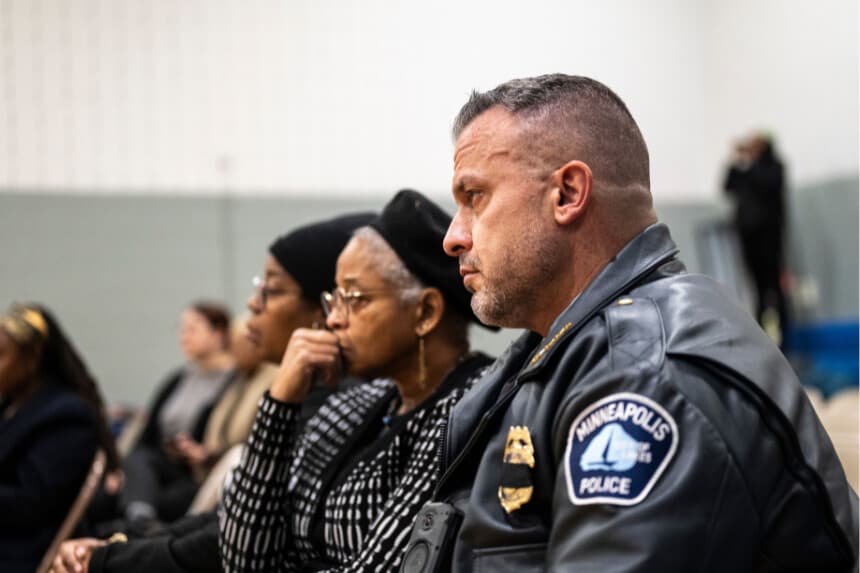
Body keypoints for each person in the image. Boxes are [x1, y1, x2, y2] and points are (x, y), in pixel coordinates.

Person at [400, 74, 858, 572]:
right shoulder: (560, 349)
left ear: (568, 194)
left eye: (475, 198)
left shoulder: (646, 372)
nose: (453, 237)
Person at [51, 213, 374, 573]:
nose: (253, 304)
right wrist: (124, 541)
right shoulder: (197, 378)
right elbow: (231, 518)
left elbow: (244, 540)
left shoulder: (344, 402)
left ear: (322, 310)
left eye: (272, 289)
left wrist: (113, 557)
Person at [219, 190, 495, 572]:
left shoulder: (469, 408)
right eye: (335, 299)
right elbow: (242, 557)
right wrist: (279, 404)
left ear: (425, 312)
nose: (334, 319)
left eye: (355, 299)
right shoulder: (354, 404)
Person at [0, 303, 120, 573]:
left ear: (32, 357)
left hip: (20, 551)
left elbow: (29, 505)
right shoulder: (11, 406)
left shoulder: (66, 415)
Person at [116, 301, 235, 526]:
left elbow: (226, 437)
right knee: (135, 467)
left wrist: (198, 453)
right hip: (160, 464)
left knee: (145, 497)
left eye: (193, 329)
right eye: (182, 329)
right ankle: (140, 520)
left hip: (195, 473)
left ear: (218, 334)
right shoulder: (180, 377)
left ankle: (138, 522)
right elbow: (149, 430)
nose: (184, 336)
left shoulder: (234, 381)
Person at [723, 131, 789, 346]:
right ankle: (763, 339)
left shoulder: (774, 167)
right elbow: (728, 185)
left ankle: (785, 339)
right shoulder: (746, 170)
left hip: (770, 242)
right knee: (757, 290)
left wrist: (749, 161)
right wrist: (738, 160)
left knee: (774, 290)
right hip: (749, 240)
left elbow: (765, 182)